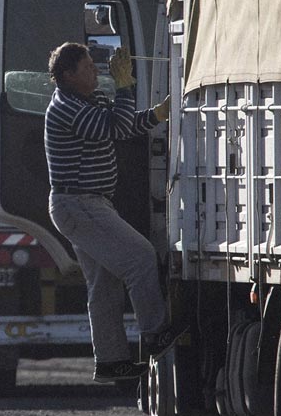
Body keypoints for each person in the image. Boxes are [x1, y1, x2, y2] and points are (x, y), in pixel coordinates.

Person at [43, 41, 186, 383]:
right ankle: (154, 334)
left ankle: (110, 360)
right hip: (80, 203)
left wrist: (156, 115)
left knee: (104, 283)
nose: (96, 72)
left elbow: (124, 126)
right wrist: (125, 86)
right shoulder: (65, 107)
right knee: (140, 257)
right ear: (68, 75)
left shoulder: (90, 100)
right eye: (88, 68)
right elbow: (109, 128)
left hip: (89, 204)